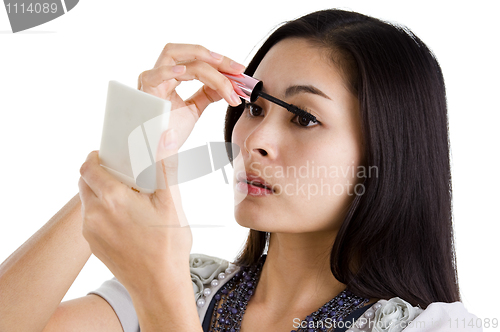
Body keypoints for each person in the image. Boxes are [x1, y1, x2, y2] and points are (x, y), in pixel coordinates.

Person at [0, 9, 481, 332]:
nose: (255, 140)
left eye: (304, 118)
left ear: (386, 153)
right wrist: (129, 156)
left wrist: (160, 296)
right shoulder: (193, 287)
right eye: (254, 107)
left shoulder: (432, 327)